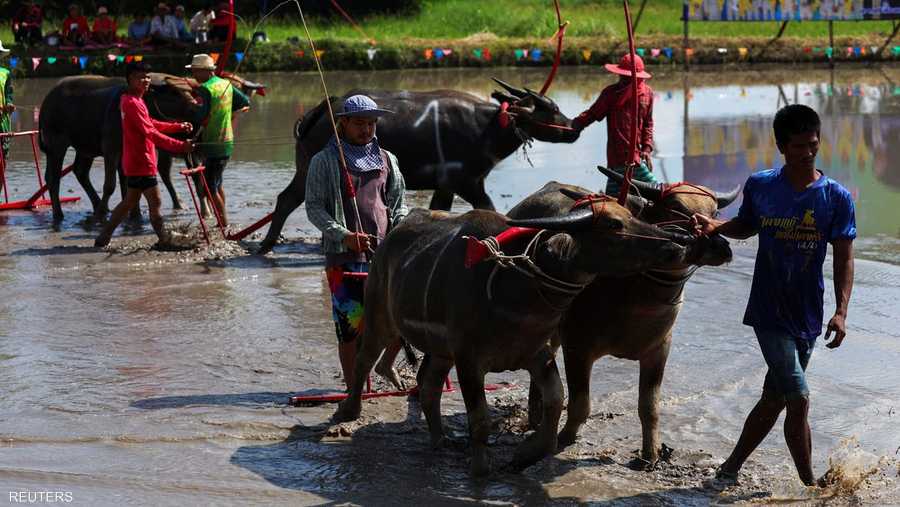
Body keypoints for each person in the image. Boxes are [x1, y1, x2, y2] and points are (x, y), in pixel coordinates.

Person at [694, 104, 856, 487]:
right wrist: (715, 225)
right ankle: (811, 486)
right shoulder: (762, 185)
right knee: (798, 398)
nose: (807, 153)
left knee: (775, 398)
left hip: (808, 314)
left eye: (813, 145)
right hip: (768, 311)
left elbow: (844, 257)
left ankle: (729, 470)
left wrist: (841, 312)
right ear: (782, 147)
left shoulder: (836, 197)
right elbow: (746, 226)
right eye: (799, 146)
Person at [305, 95, 409, 389]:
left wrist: (398, 232)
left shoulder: (388, 159)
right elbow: (314, 208)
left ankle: (386, 364)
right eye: (360, 123)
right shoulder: (324, 161)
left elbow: (399, 201)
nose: (366, 130)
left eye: (371, 123)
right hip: (344, 256)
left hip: (385, 256)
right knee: (351, 327)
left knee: (401, 319)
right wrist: (344, 236)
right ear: (344, 123)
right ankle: (354, 390)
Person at [95, 62, 195, 248]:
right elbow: (151, 133)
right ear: (130, 80)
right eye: (140, 77)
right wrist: (181, 146)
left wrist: (178, 126)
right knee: (155, 202)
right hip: (142, 161)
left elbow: (151, 124)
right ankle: (164, 240)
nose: (146, 80)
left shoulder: (133, 100)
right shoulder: (133, 103)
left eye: (147, 76)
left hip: (135, 161)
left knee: (128, 202)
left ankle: (103, 237)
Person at [572, 53, 658, 196]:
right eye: (622, 76)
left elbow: (648, 123)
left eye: (627, 77)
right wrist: (576, 124)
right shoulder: (611, 94)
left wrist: (647, 148)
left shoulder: (647, 94)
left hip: (637, 158)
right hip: (617, 157)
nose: (623, 79)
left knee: (657, 192)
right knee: (613, 199)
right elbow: (593, 114)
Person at [185, 53, 250, 228]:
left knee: (209, 188)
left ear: (204, 71)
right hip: (227, 142)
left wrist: (193, 107)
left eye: (195, 71)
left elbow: (201, 116)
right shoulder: (226, 84)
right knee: (218, 182)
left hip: (213, 143)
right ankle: (223, 221)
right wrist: (229, 113)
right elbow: (245, 101)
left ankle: (223, 224)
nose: (194, 76)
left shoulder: (206, 89)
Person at [0, 43, 15, 161]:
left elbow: (8, 93)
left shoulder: (5, 73)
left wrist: (9, 103)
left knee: (3, 152)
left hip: (2, 120)